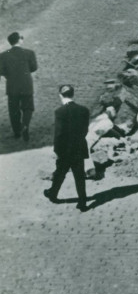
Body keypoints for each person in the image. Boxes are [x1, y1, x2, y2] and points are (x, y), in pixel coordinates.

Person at [43, 84, 90, 212]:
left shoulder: (60, 112)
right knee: (79, 176)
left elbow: (59, 134)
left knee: (60, 173)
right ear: (73, 94)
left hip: (65, 150)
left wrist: (57, 150)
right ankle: (82, 203)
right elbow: (85, 130)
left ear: (60, 95)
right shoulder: (84, 110)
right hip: (79, 148)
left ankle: (53, 194)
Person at [0, 32, 38, 141]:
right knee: (28, 107)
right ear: (19, 40)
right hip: (26, 84)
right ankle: (25, 125)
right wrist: (24, 71)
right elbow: (34, 67)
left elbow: (0, 70)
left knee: (13, 110)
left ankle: (17, 132)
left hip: (12, 86)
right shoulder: (29, 53)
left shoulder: (3, 55)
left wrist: (9, 74)